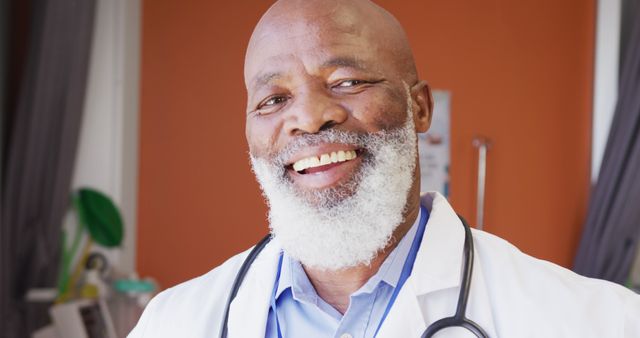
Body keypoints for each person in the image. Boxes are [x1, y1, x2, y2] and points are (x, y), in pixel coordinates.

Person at [129, 0, 640, 337]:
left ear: (419, 108)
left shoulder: (593, 322)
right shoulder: (172, 324)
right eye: (273, 99)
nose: (308, 117)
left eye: (347, 81)